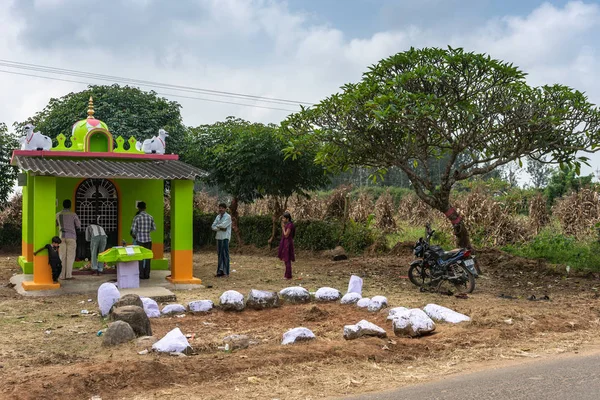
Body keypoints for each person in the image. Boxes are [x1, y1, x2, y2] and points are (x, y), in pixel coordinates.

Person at [56, 199, 81, 280]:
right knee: (70, 257)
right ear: (70, 205)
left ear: (63, 205)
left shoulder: (58, 214)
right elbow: (78, 226)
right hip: (71, 237)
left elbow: (56, 224)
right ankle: (68, 275)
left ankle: (61, 276)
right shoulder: (73, 214)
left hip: (61, 237)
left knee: (62, 256)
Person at [130, 201, 156, 279]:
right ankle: (147, 274)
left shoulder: (137, 217)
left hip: (139, 240)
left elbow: (133, 230)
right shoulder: (150, 217)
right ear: (145, 207)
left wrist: (137, 234)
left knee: (140, 258)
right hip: (148, 239)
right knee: (148, 257)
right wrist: (147, 231)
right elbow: (154, 228)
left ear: (138, 208)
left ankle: (141, 274)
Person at [211, 203, 231, 278]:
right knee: (219, 255)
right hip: (218, 237)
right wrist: (220, 227)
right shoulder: (218, 216)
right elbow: (213, 226)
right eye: (220, 208)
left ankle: (226, 272)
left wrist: (218, 226)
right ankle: (220, 272)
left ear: (225, 209)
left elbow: (224, 225)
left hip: (225, 238)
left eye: (222, 208)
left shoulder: (228, 217)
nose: (221, 209)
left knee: (225, 255)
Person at [278, 211, 296, 280]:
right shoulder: (288, 224)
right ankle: (287, 274)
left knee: (287, 259)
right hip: (286, 242)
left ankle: (288, 275)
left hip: (287, 243)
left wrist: (282, 227)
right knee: (285, 259)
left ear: (287, 219)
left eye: (283, 218)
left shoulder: (290, 225)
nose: (283, 220)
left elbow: (286, 235)